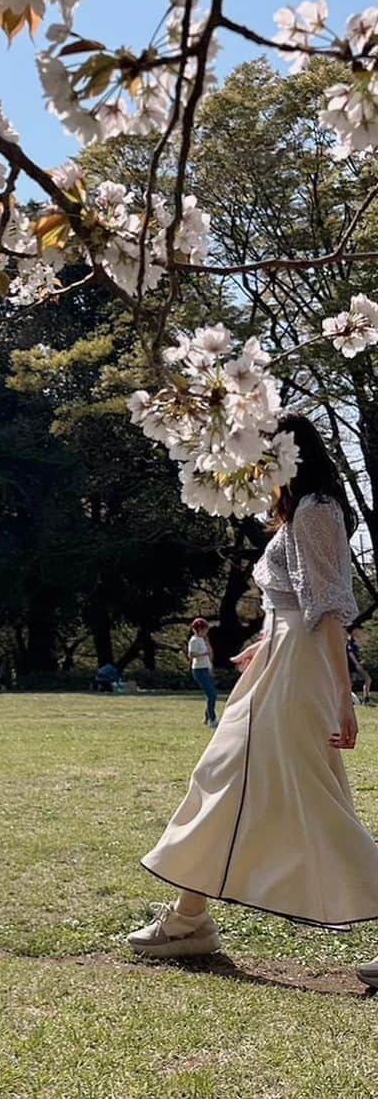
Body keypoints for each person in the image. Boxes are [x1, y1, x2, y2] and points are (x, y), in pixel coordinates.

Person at [126, 414, 378, 991]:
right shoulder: (300, 512)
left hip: (300, 672)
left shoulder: (316, 510)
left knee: (313, 802)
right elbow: (293, 609)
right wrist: (263, 646)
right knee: (221, 779)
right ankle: (190, 920)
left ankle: (188, 921)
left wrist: (344, 698)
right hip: (277, 667)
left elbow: (328, 609)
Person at [187, 617, 217, 727]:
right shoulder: (194, 640)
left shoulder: (203, 640)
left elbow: (209, 655)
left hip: (205, 669)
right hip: (199, 670)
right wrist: (204, 654)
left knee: (212, 694)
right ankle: (212, 719)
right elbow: (191, 655)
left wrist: (210, 666)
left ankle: (208, 717)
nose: (206, 632)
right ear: (198, 629)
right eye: (204, 630)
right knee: (212, 695)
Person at [347, 631, 372, 707]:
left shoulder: (357, 644)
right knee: (349, 684)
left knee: (368, 679)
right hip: (352, 666)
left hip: (357, 666)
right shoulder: (350, 644)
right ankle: (348, 701)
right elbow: (350, 654)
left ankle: (366, 699)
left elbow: (360, 654)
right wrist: (357, 664)